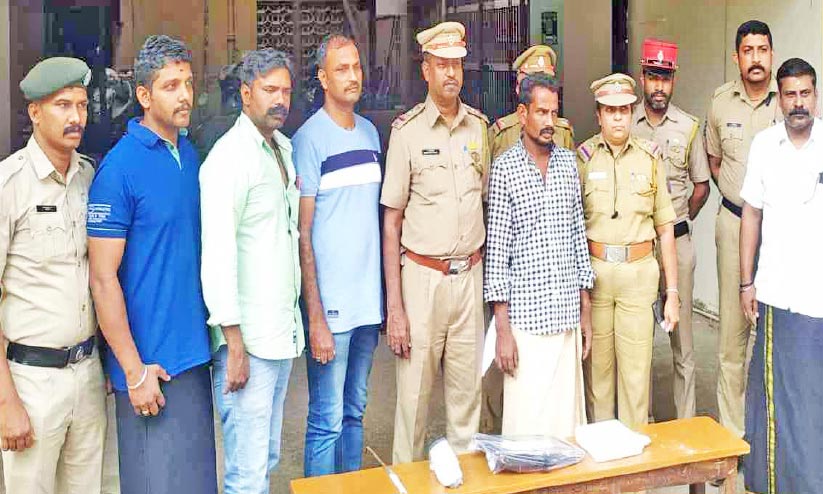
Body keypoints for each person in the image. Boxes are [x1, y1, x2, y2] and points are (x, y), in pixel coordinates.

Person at [87, 35, 216, 494]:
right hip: (149, 370)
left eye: (188, 83)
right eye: (170, 86)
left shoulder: (190, 156)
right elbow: (102, 279)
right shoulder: (119, 170)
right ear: (144, 95)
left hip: (193, 358)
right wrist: (132, 370)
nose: (185, 95)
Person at [381, 21, 489, 463]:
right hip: (423, 280)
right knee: (414, 401)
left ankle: (466, 484)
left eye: (457, 65)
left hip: (469, 277)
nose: (451, 73)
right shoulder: (406, 133)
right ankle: (407, 483)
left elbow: (484, 201)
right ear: (425, 70)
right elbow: (391, 223)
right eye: (441, 64)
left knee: (467, 401)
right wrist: (395, 308)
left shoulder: (478, 128)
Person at [0, 57, 106, 494]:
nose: (75, 117)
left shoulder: (88, 177)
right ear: (35, 112)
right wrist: (6, 401)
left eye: (81, 105)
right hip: (31, 381)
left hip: (87, 372)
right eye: (63, 106)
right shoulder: (10, 185)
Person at [200, 48, 303, 493]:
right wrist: (234, 344)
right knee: (247, 472)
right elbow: (218, 255)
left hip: (279, 333)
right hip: (248, 341)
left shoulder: (282, 148)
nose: (280, 100)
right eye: (269, 90)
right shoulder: (229, 159)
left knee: (266, 458)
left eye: (286, 91)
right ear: (245, 94)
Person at [292, 34, 383, 476]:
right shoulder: (308, 140)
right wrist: (315, 317)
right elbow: (302, 234)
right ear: (323, 79)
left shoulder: (370, 133)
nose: (352, 76)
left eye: (356, 67)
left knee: (354, 413)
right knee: (326, 420)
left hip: (367, 305)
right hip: (330, 310)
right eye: (341, 69)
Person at [484, 73, 594, 438]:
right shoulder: (505, 169)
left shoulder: (568, 164)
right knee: (526, 430)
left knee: (565, 428)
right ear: (523, 113)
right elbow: (497, 254)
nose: (549, 121)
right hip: (525, 323)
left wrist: (585, 310)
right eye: (541, 112)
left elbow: (578, 236)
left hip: (565, 317)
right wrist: (502, 331)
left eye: (554, 113)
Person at [577, 73, 679, 429]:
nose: (618, 117)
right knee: (598, 374)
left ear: (632, 112)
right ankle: (603, 454)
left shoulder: (650, 158)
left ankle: (634, 452)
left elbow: (665, 228)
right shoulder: (583, 159)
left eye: (624, 110)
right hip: (597, 277)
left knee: (636, 376)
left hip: (638, 276)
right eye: (610, 110)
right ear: (598, 115)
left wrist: (673, 293)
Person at [740, 58, 822, 494]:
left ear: (816, 96)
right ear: (780, 99)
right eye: (790, 94)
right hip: (777, 295)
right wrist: (746, 282)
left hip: (819, 297)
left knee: (813, 399)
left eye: (805, 93)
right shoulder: (764, 146)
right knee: (777, 400)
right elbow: (751, 214)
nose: (798, 103)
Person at [706, 19, 780, 438]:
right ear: (737, 57)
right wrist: (742, 199)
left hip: (780, 233)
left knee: (774, 335)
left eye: (762, 50)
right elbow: (715, 163)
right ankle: (733, 440)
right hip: (734, 224)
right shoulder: (721, 103)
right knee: (732, 338)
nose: (755, 58)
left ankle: (769, 437)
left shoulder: (788, 102)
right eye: (748, 50)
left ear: (772, 54)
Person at [632, 38, 710, 420]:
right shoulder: (627, 123)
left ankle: (685, 424)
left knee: (683, 344)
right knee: (639, 342)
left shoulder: (689, 127)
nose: (659, 86)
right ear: (642, 78)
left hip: (677, 243)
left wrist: (679, 221)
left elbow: (701, 186)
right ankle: (643, 422)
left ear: (673, 80)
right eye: (653, 77)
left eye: (665, 78)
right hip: (639, 246)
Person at [489, 45, 575, 161]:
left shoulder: (563, 132)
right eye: (532, 83)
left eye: (546, 82)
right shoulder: (502, 134)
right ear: (518, 87)